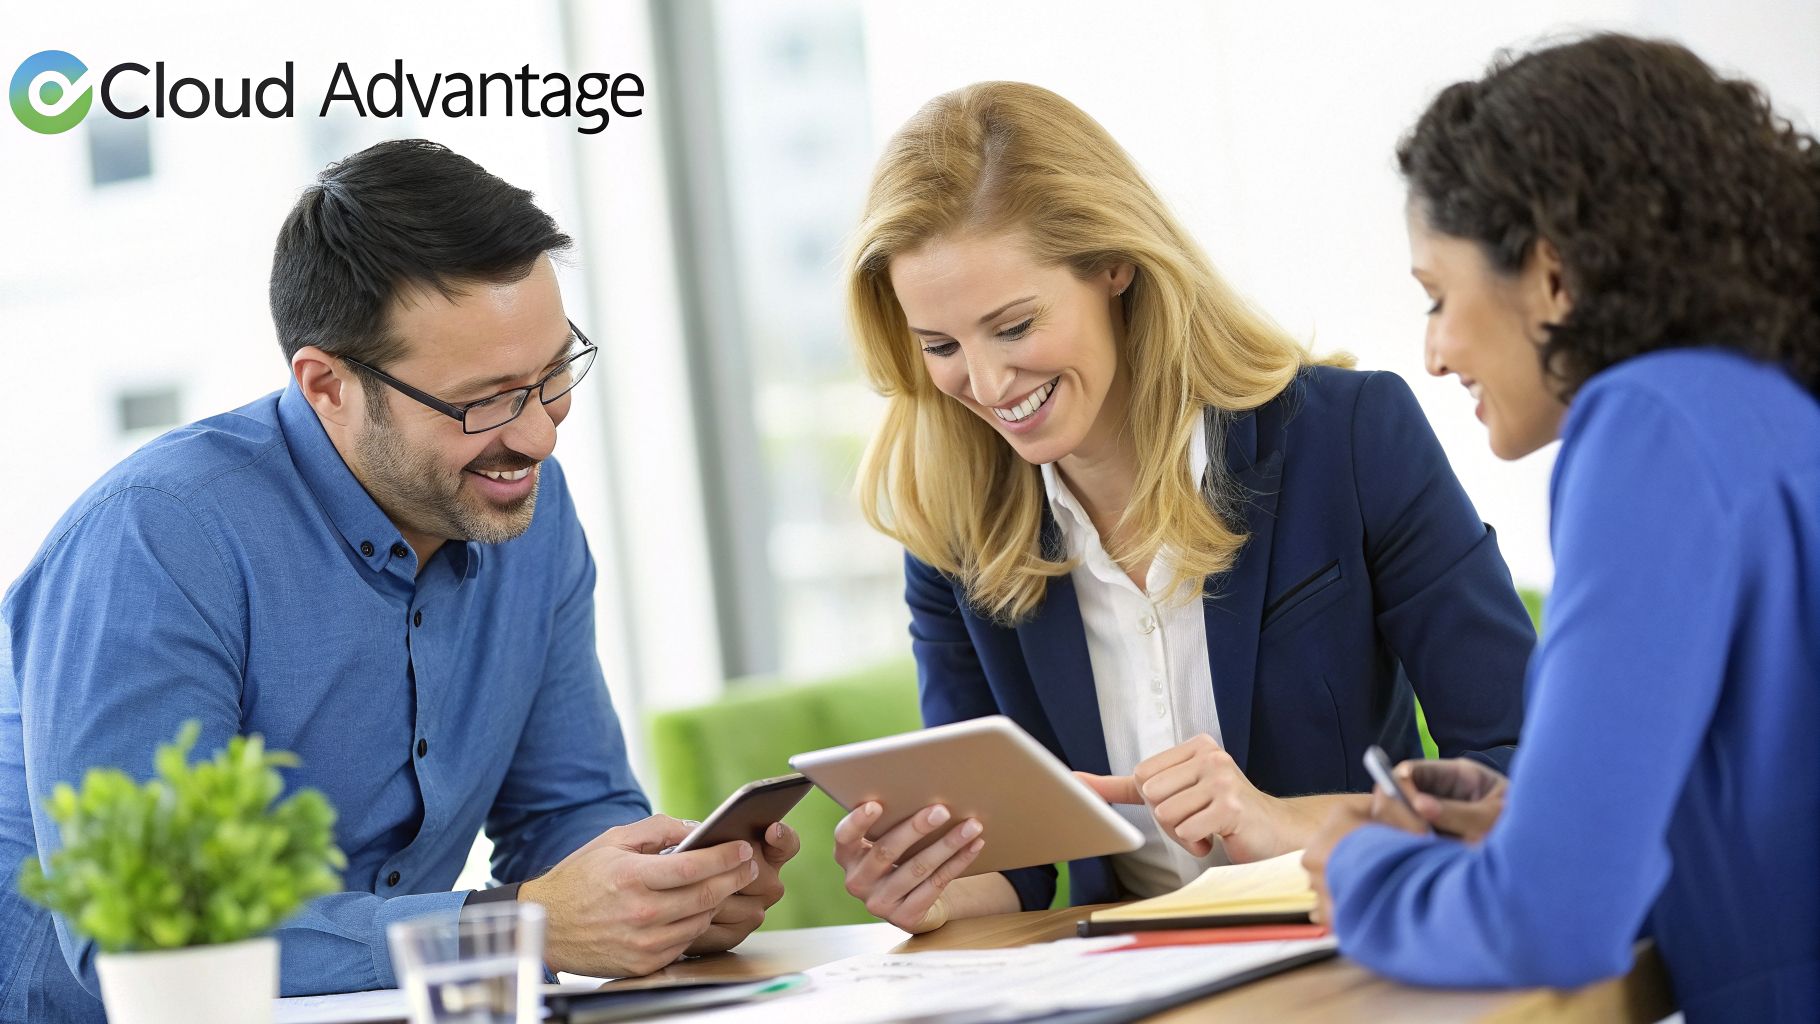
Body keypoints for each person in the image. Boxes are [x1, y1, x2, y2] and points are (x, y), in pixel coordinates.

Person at [0, 140, 797, 1023]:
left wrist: (664, 893)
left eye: (553, 376)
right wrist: (514, 925)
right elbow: (143, 943)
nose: (539, 437)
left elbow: (566, 809)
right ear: (327, 385)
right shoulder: (159, 538)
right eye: (484, 400)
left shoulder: (524, 508)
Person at [830, 81, 1534, 933]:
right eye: (941, 346)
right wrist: (931, 888)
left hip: (1347, 957)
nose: (983, 386)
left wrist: (1282, 821)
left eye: (1013, 327)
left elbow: (1518, 767)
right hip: (1111, 984)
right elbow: (1013, 865)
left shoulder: (1350, 438)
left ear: (1113, 265)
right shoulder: (952, 527)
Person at [1301, 34, 1820, 1021]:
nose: (1433, 353)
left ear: (1549, 275)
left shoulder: (1647, 427)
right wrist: (1533, 824)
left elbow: (1546, 918)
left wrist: (1359, 866)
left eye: (1436, 298)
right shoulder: (1763, 406)